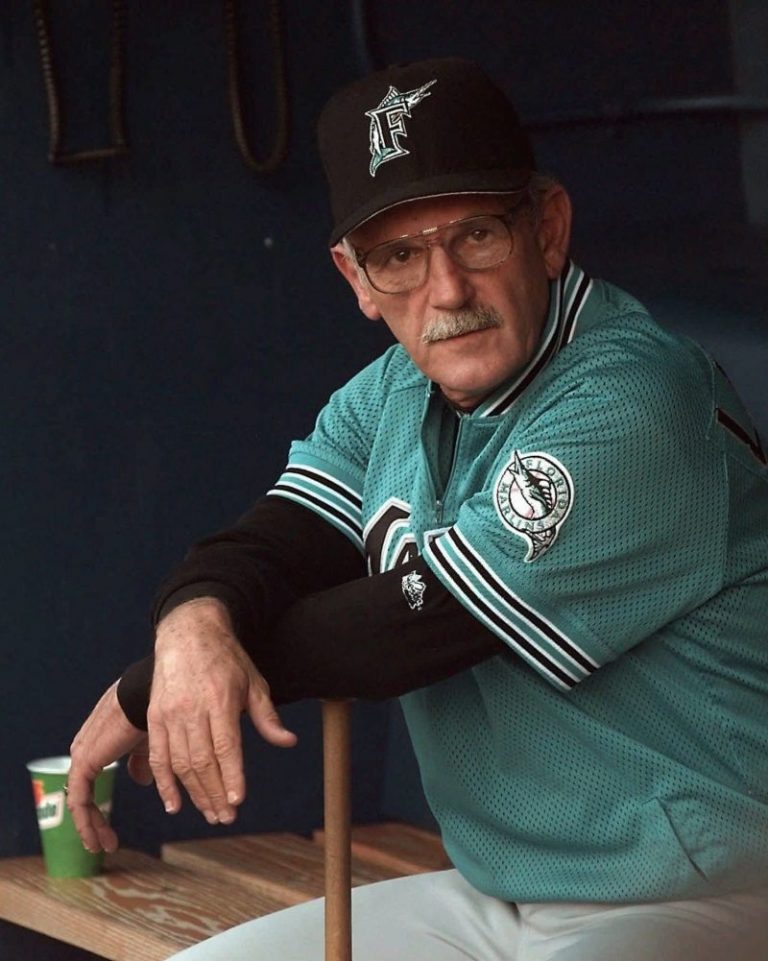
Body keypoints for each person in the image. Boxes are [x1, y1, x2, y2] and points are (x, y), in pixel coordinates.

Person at [66, 58, 768, 960]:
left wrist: (152, 688)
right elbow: (272, 545)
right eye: (399, 256)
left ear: (547, 229)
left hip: (716, 895)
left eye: (476, 235)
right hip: (504, 892)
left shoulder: (634, 398)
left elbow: (414, 626)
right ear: (356, 278)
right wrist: (191, 631)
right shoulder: (390, 392)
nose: (447, 291)